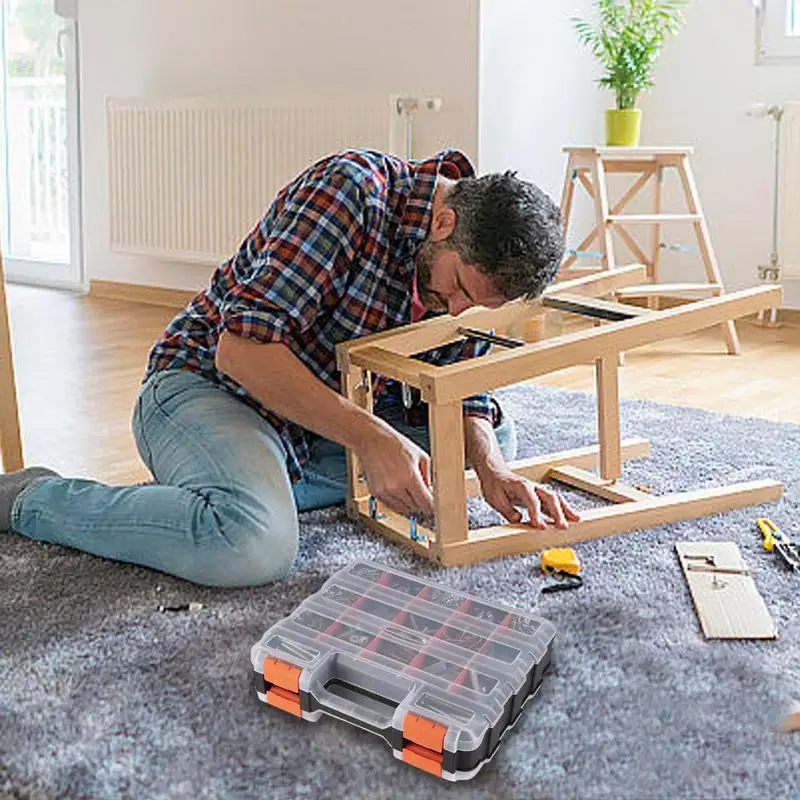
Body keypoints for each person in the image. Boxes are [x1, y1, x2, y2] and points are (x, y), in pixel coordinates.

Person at [0, 148, 579, 588]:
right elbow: (240, 351)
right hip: (211, 387)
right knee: (254, 545)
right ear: (445, 223)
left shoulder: (463, 261)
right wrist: (372, 438)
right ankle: (33, 499)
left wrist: (495, 470)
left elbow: (460, 389)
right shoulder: (352, 193)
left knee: (491, 435)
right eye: (455, 288)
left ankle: (243, 486)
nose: (454, 311)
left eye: (474, 307)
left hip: (317, 417)